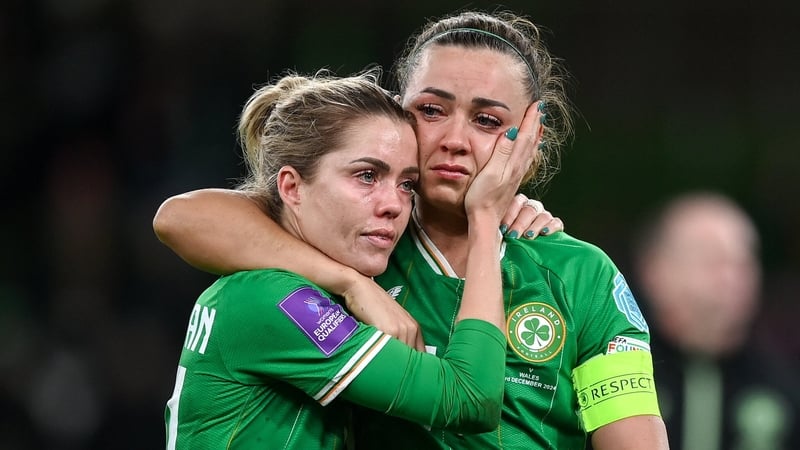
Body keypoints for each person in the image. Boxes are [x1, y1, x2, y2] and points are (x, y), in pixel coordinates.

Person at [154, 10, 668, 449]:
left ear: (531, 137)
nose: (454, 139)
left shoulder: (580, 274)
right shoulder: (356, 248)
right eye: (431, 110)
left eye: (487, 121)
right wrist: (347, 281)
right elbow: (180, 218)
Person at [163, 69, 545, 448]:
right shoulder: (278, 298)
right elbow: (468, 399)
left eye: (406, 184)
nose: (394, 205)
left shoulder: (284, 279)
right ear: (292, 187)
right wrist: (484, 218)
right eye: (366, 176)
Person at [631, 191, 800, 450]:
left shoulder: (783, 384)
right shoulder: (617, 370)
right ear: (655, 269)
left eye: (744, 261)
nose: (734, 277)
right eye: (713, 260)